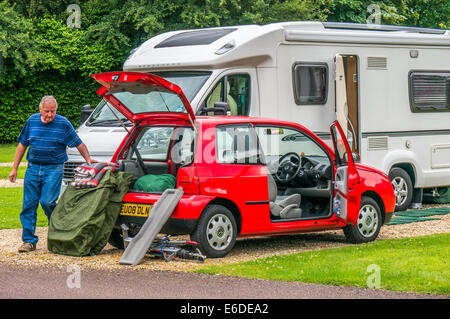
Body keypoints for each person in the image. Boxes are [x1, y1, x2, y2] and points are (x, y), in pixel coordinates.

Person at [9, 95, 95, 253]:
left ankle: (58, 230)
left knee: (48, 202)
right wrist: (15, 168)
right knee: (28, 205)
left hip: (53, 168)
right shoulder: (32, 121)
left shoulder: (63, 124)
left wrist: (88, 159)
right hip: (33, 168)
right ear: (40, 109)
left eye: (53, 111)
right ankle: (29, 241)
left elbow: (78, 143)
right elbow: (22, 144)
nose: (50, 114)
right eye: (47, 111)